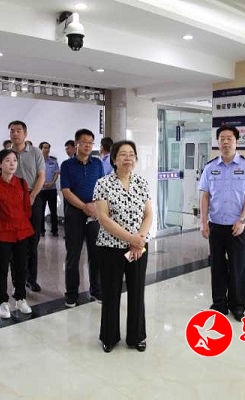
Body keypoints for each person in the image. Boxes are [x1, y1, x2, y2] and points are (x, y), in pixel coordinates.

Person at [94, 140, 152, 353]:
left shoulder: (142, 182)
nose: (128, 158)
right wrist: (131, 238)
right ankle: (109, 336)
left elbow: (148, 214)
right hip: (111, 248)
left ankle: (137, 336)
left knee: (137, 291)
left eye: (131, 154)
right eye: (123, 154)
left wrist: (140, 239)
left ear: (136, 159)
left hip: (139, 247)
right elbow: (103, 218)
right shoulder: (103, 183)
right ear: (114, 159)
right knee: (111, 292)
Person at [198, 125, 245, 322]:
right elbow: (205, 196)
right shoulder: (210, 167)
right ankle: (219, 304)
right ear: (218, 142)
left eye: (229, 138)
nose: (225, 142)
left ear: (236, 141)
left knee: (237, 266)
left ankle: (238, 306)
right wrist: (203, 222)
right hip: (216, 224)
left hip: (237, 226)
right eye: (222, 138)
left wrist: (242, 219)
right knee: (217, 266)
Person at [0, 149, 34, 318]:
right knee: (2, 268)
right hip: (2, 232)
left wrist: (21, 221)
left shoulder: (21, 183)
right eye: (7, 160)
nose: (12, 163)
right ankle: (3, 302)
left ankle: (20, 298)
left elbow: (27, 207)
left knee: (21, 267)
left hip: (21, 230)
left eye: (14, 160)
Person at [60, 129, 104, 307]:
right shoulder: (67, 165)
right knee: (73, 255)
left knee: (96, 254)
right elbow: (66, 191)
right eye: (84, 141)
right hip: (74, 214)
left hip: (94, 214)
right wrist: (85, 206)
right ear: (76, 143)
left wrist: (94, 205)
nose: (88, 145)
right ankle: (71, 294)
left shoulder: (97, 163)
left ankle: (96, 290)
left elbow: (102, 187)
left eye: (90, 142)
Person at [9, 120, 45, 292]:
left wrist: (31, 196)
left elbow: (41, 176)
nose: (15, 133)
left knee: (32, 241)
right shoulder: (7, 154)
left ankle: (31, 279)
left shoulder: (36, 152)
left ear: (25, 134)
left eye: (18, 130)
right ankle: (18, 280)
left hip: (33, 197)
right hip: (12, 201)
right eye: (12, 131)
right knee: (15, 241)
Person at [38, 141, 60, 237]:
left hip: (52, 189)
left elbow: (56, 173)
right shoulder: (37, 161)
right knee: (41, 211)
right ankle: (41, 230)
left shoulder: (53, 161)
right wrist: (42, 184)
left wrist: (52, 183)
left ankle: (54, 230)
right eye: (45, 148)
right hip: (41, 190)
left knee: (53, 211)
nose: (47, 149)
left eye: (48, 148)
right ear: (40, 149)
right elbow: (35, 175)